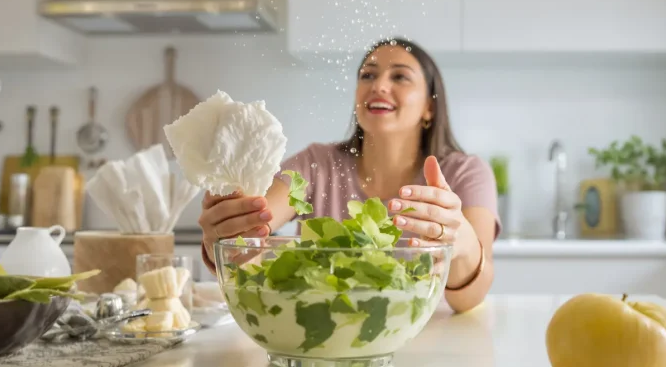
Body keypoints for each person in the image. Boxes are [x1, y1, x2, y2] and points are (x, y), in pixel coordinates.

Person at [198, 38, 501, 313]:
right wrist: (226, 235)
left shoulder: (465, 173)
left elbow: (467, 299)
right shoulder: (315, 164)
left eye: (400, 76)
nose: (379, 85)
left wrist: (462, 242)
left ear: (429, 107)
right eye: (368, 75)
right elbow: (251, 235)